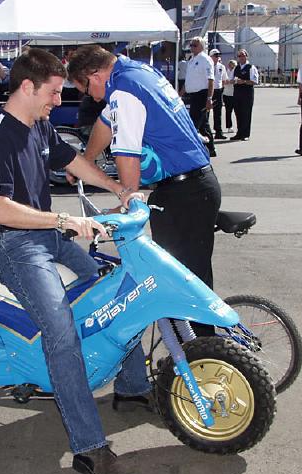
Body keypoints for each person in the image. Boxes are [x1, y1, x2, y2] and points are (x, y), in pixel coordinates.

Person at [0, 47, 148, 474]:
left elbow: (73, 161)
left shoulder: (40, 125)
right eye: (52, 92)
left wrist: (118, 189)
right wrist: (66, 220)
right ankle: (89, 449)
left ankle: (133, 388)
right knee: (61, 331)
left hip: (47, 235)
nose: (58, 100)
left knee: (119, 291)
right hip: (12, 245)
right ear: (27, 87)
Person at [67, 45, 222, 300]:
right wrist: (85, 163)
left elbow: (126, 154)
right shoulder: (134, 74)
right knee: (183, 284)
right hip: (190, 188)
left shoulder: (124, 90)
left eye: (85, 90)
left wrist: (125, 203)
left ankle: (201, 330)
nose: (91, 98)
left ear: (94, 76)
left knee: (183, 292)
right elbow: (105, 124)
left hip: (183, 194)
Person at [179, 37, 217, 157]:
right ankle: (210, 148)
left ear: (201, 46)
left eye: (194, 45)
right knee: (203, 123)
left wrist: (209, 98)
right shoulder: (191, 60)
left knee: (194, 123)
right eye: (191, 45)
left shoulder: (205, 59)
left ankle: (194, 150)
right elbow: (188, 80)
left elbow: (211, 80)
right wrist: (180, 94)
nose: (192, 48)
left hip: (202, 94)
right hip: (193, 95)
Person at [231, 49, 259, 141]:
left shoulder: (251, 67)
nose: (241, 58)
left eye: (243, 55)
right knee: (238, 113)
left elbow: (255, 81)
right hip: (237, 93)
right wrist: (233, 81)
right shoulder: (236, 68)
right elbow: (231, 79)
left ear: (246, 56)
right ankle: (239, 133)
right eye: (239, 56)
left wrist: (243, 81)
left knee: (246, 114)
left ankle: (246, 134)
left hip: (247, 94)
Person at [209, 49, 228, 139]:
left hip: (218, 90)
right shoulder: (207, 65)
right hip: (209, 90)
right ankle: (205, 131)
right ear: (211, 56)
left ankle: (218, 131)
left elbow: (224, 79)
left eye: (218, 56)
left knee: (218, 112)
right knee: (206, 112)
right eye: (215, 56)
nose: (217, 57)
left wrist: (221, 89)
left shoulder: (221, 67)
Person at [223, 59, 237, 133]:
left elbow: (235, 80)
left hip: (235, 94)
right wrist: (228, 82)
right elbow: (223, 80)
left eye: (233, 64)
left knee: (237, 111)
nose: (231, 66)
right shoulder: (226, 71)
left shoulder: (236, 71)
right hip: (226, 94)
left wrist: (229, 81)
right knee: (228, 111)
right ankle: (229, 126)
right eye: (230, 64)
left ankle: (239, 127)